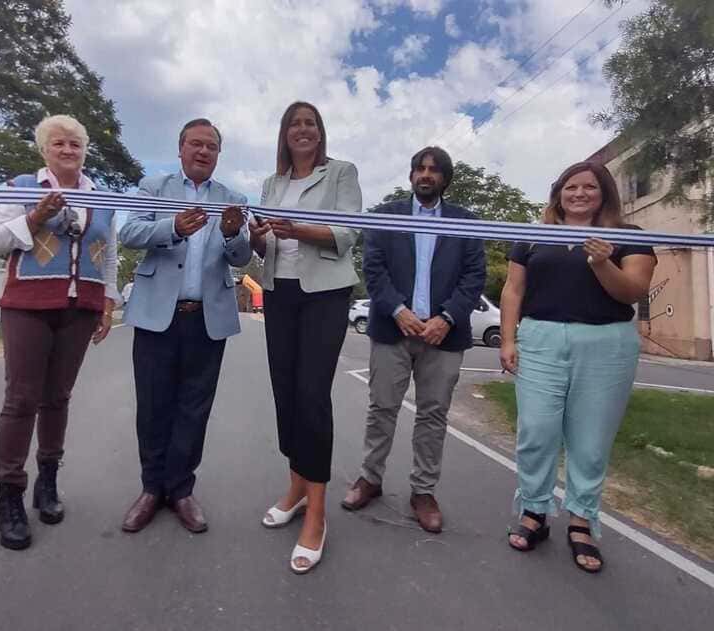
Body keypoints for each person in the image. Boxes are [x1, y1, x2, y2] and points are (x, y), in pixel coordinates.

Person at [499, 161, 656, 573]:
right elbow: (514, 288)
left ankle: (582, 520)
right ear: (559, 193)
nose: (580, 193)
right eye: (571, 187)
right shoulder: (533, 236)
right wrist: (510, 339)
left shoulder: (629, 238)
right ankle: (534, 511)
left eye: (589, 187)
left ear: (604, 193)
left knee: (590, 439)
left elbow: (633, 292)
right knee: (536, 430)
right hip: (541, 339)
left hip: (606, 346)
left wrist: (603, 263)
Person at [0, 114, 118, 550]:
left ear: (84, 151)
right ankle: (10, 496)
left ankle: (48, 481)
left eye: (75, 144)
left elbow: (109, 253)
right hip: (28, 304)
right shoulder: (23, 187)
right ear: (44, 149)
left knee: (58, 396)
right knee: (21, 399)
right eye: (58, 144)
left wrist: (107, 303)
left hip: (80, 307)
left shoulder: (99, 197)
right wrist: (35, 217)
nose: (67, 151)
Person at [341, 146, 486, 534]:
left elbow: (474, 277)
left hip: (444, 335)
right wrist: (397, 310)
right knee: (382, 408)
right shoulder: (386, 216)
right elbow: (373, 268)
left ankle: (423, 491)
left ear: (444, 179)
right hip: (393, 329)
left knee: (433, 415)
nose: (426, 175)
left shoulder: (465, 222)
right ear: (410, 176)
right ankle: (369, 479)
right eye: (420, 169)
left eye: (434, 171)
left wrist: (448, 317)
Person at [119, 118, 250, 535]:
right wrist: (173, 226)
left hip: (206, 318)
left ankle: (180, 489)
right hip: (158, 316)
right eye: (196, 144)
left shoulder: (232, 199)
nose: (204, 152)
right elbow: (130, 233)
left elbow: (242, 257)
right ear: (180, 149)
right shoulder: (154, 188)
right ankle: (150, 488)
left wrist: (232, 234)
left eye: (212, 147)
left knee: (195, 409)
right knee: (154, 405)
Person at [249, 101, 361, 574]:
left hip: (325, 294)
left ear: (320, 132)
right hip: (280, 292)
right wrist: (258, 238)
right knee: (286, 394)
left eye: (310, 123)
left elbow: (349, 231)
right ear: (284, 133)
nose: (302, 130)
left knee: (312, 396)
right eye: (294, 124)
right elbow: (265, 246)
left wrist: (299, 230)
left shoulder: (340, 173)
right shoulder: (271, 184)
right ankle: (296, 486)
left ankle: (316, 513)